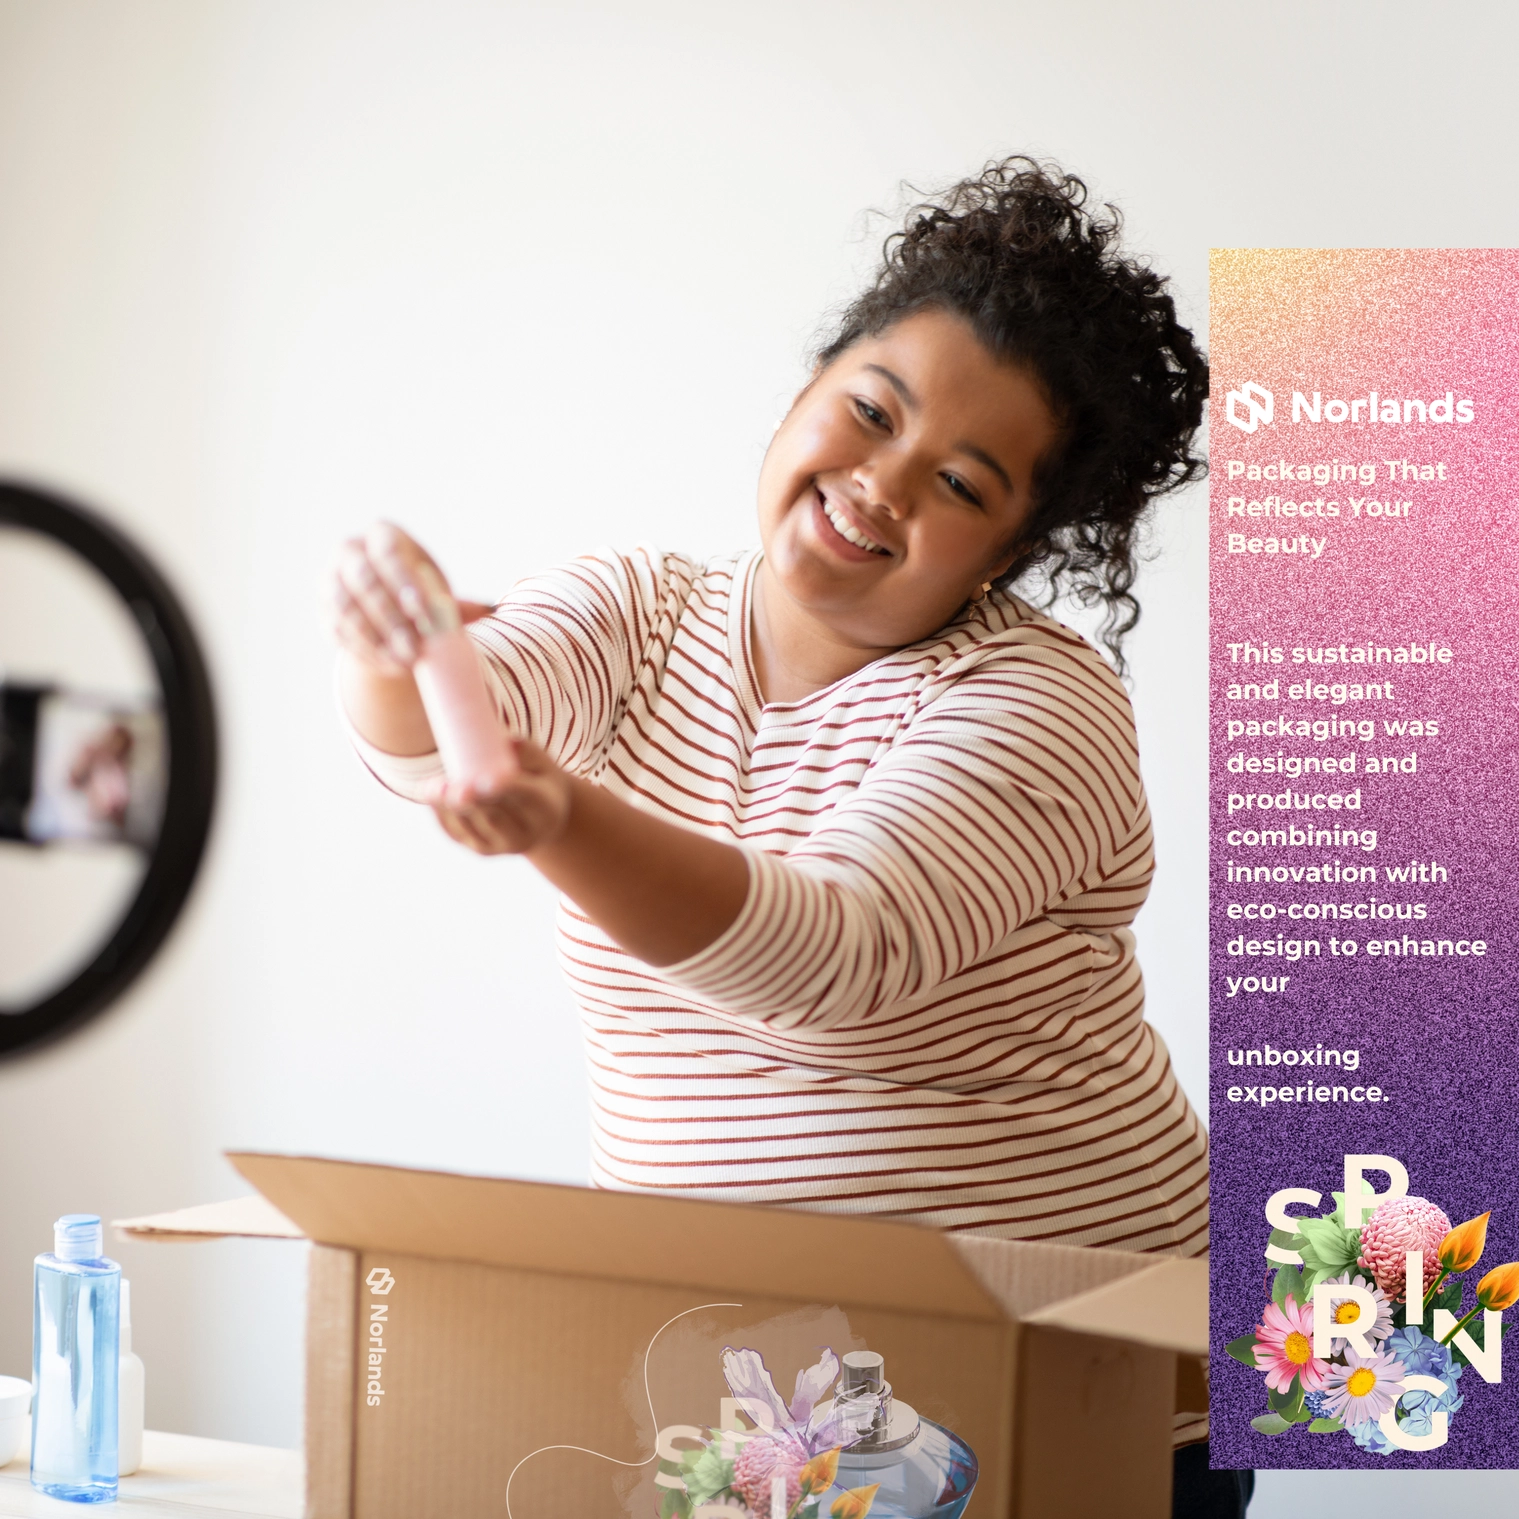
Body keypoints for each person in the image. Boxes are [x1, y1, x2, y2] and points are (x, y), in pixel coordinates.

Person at [333, 158, 1243, 1513]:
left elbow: (825, 957)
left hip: (1076, 1398)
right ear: (805, 387)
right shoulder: (638, 609)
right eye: (868, 410)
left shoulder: (1034, 703)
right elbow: (442, 733)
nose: (881, 482)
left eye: (960, 479)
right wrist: (399, 653)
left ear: (1005, 551)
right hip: (784, 1415)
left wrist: (563, 816)